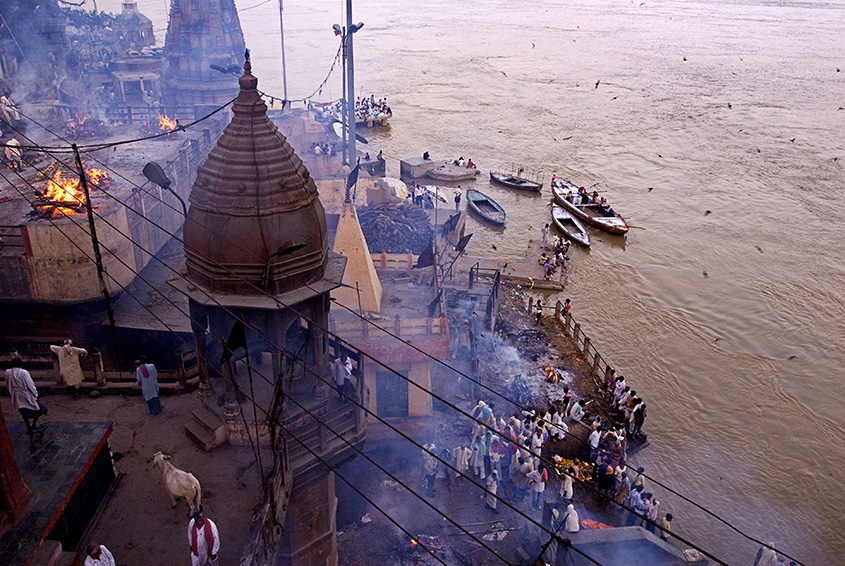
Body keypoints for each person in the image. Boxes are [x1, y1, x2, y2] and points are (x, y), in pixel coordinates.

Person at [6, 358, 48, 433]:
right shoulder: (24, 373)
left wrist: (11, 393)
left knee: (23, 411)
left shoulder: (7, 372)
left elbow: (8, 384)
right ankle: (33, 426)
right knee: (38, 409)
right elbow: (30, 384)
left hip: (16, 394)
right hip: (26, 393)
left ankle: (29, 426)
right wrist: (35, 393)